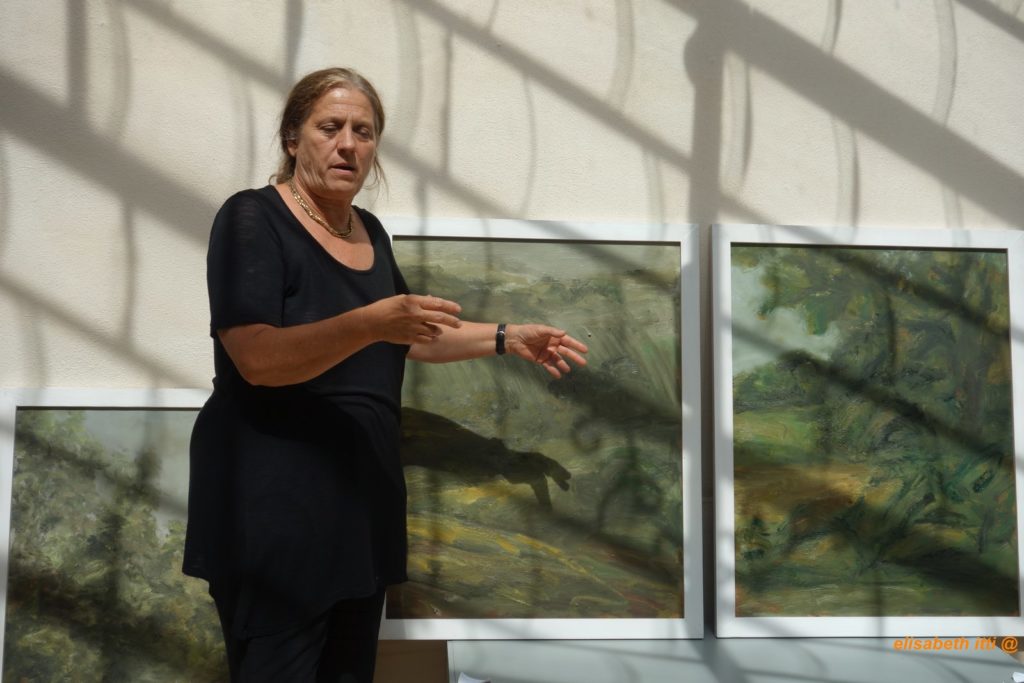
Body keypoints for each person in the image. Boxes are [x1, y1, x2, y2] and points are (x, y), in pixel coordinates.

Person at [182, 67, 588, 682]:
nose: (348, 145)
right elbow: (257, 358)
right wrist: (370, 322)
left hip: (359, 505)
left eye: (364, 132)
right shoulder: (251, 218)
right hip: (273, 507)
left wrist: (507, 337)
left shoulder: (368, 231)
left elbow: (409, 333)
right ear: (292, 137)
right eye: (330, 127)